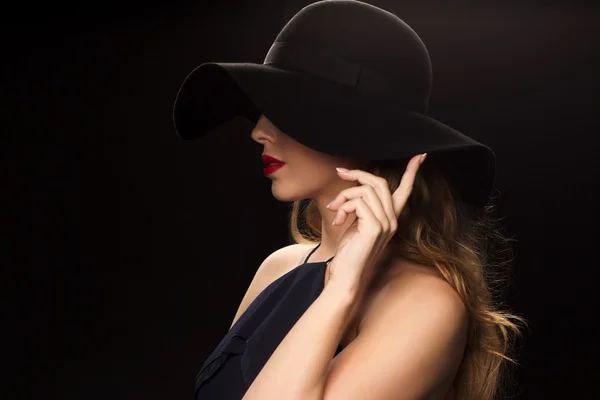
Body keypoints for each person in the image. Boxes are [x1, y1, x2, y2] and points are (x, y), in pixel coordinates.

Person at [172, 1, 526, 399]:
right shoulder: (280, 267)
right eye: (262, 109)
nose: (258, 131)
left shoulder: (425, 305)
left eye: (287, 109)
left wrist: (341, 288)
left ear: (363, 134)